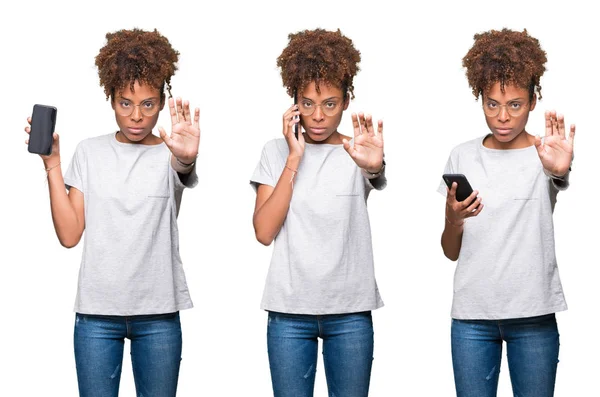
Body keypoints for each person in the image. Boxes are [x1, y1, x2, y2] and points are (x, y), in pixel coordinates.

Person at [23, 28, 200, 397]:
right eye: (125, 103)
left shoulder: (172, 152)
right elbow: (70, 235)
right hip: (96, 317)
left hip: (159, 314)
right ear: (111, 98)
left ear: (162, 103)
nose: (136, 116)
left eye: (148, 104)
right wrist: (52, 163)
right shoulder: (89, 152)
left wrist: (186, 158)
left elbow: (183, 169)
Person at [438, 28, 575, 397]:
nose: (502, 116)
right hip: (472, 319)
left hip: (534, 316)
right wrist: (454, 218)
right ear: (480, 99)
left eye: (515, 104)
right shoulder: (462, 156)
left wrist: (560, 170)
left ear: (532, 102)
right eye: (492, 104)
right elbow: (451, 251)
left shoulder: (546, 154)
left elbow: (558, 178)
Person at [250, 28, 386, 397]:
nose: (318, 115)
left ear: (345, 101)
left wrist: (375, 167)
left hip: (351, 311)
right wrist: (295, 157)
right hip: (289, 312)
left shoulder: (360, 151)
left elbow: (375, 175)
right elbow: (264, 231)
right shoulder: (275, 152)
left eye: (330, 103)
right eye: (307, 103)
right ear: (293, 101)